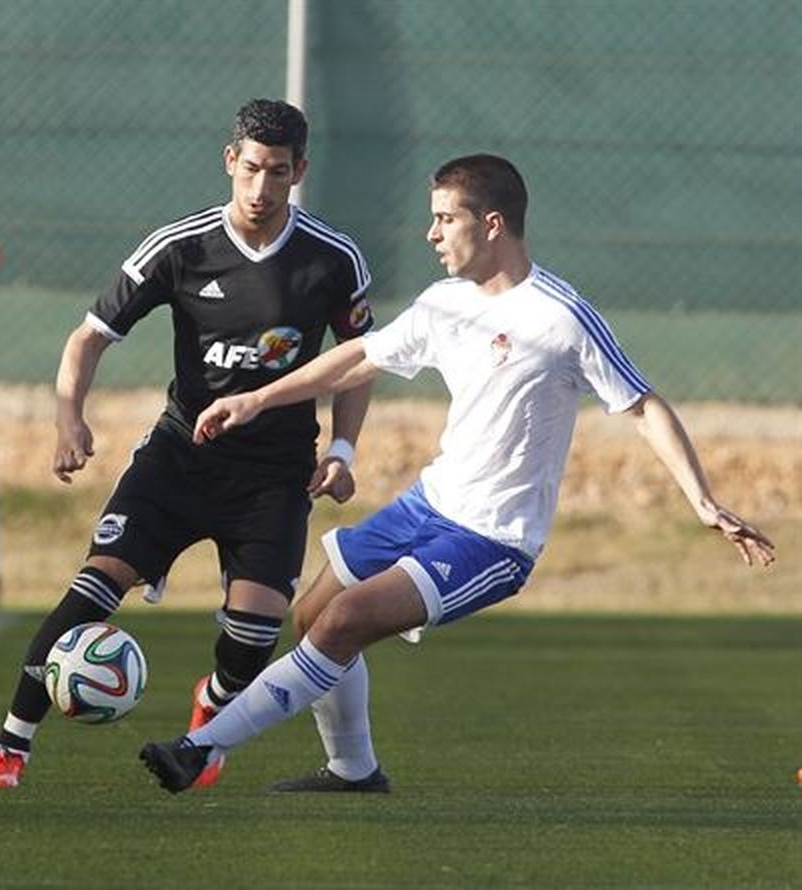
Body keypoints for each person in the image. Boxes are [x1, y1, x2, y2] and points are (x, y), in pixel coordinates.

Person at [139, 153, 776, 795]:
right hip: (428, 505)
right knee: (314, 616)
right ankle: (354, 771)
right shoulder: (445, 303)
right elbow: (360, 357)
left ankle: (200, 746)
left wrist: (702, 501)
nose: (432, 234)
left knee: (343, 622)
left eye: (445, 219)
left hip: (493, 537)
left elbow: (644, 405)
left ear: (492, 224)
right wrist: (257, 399)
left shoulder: (560, 316)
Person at [0, 98, 375, 789]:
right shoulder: (180, 247)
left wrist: (342, 451)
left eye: (278, 172)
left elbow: (360, 358)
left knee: (252, 642)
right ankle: (10, 747)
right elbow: (88, 335)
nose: (260, 187)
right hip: (179, 461)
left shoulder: (332, 259)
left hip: (274, 477)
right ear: (230, 161)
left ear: (298, 170)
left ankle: (211, 708)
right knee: (90, 594)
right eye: (250, 169)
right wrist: (68, 416)